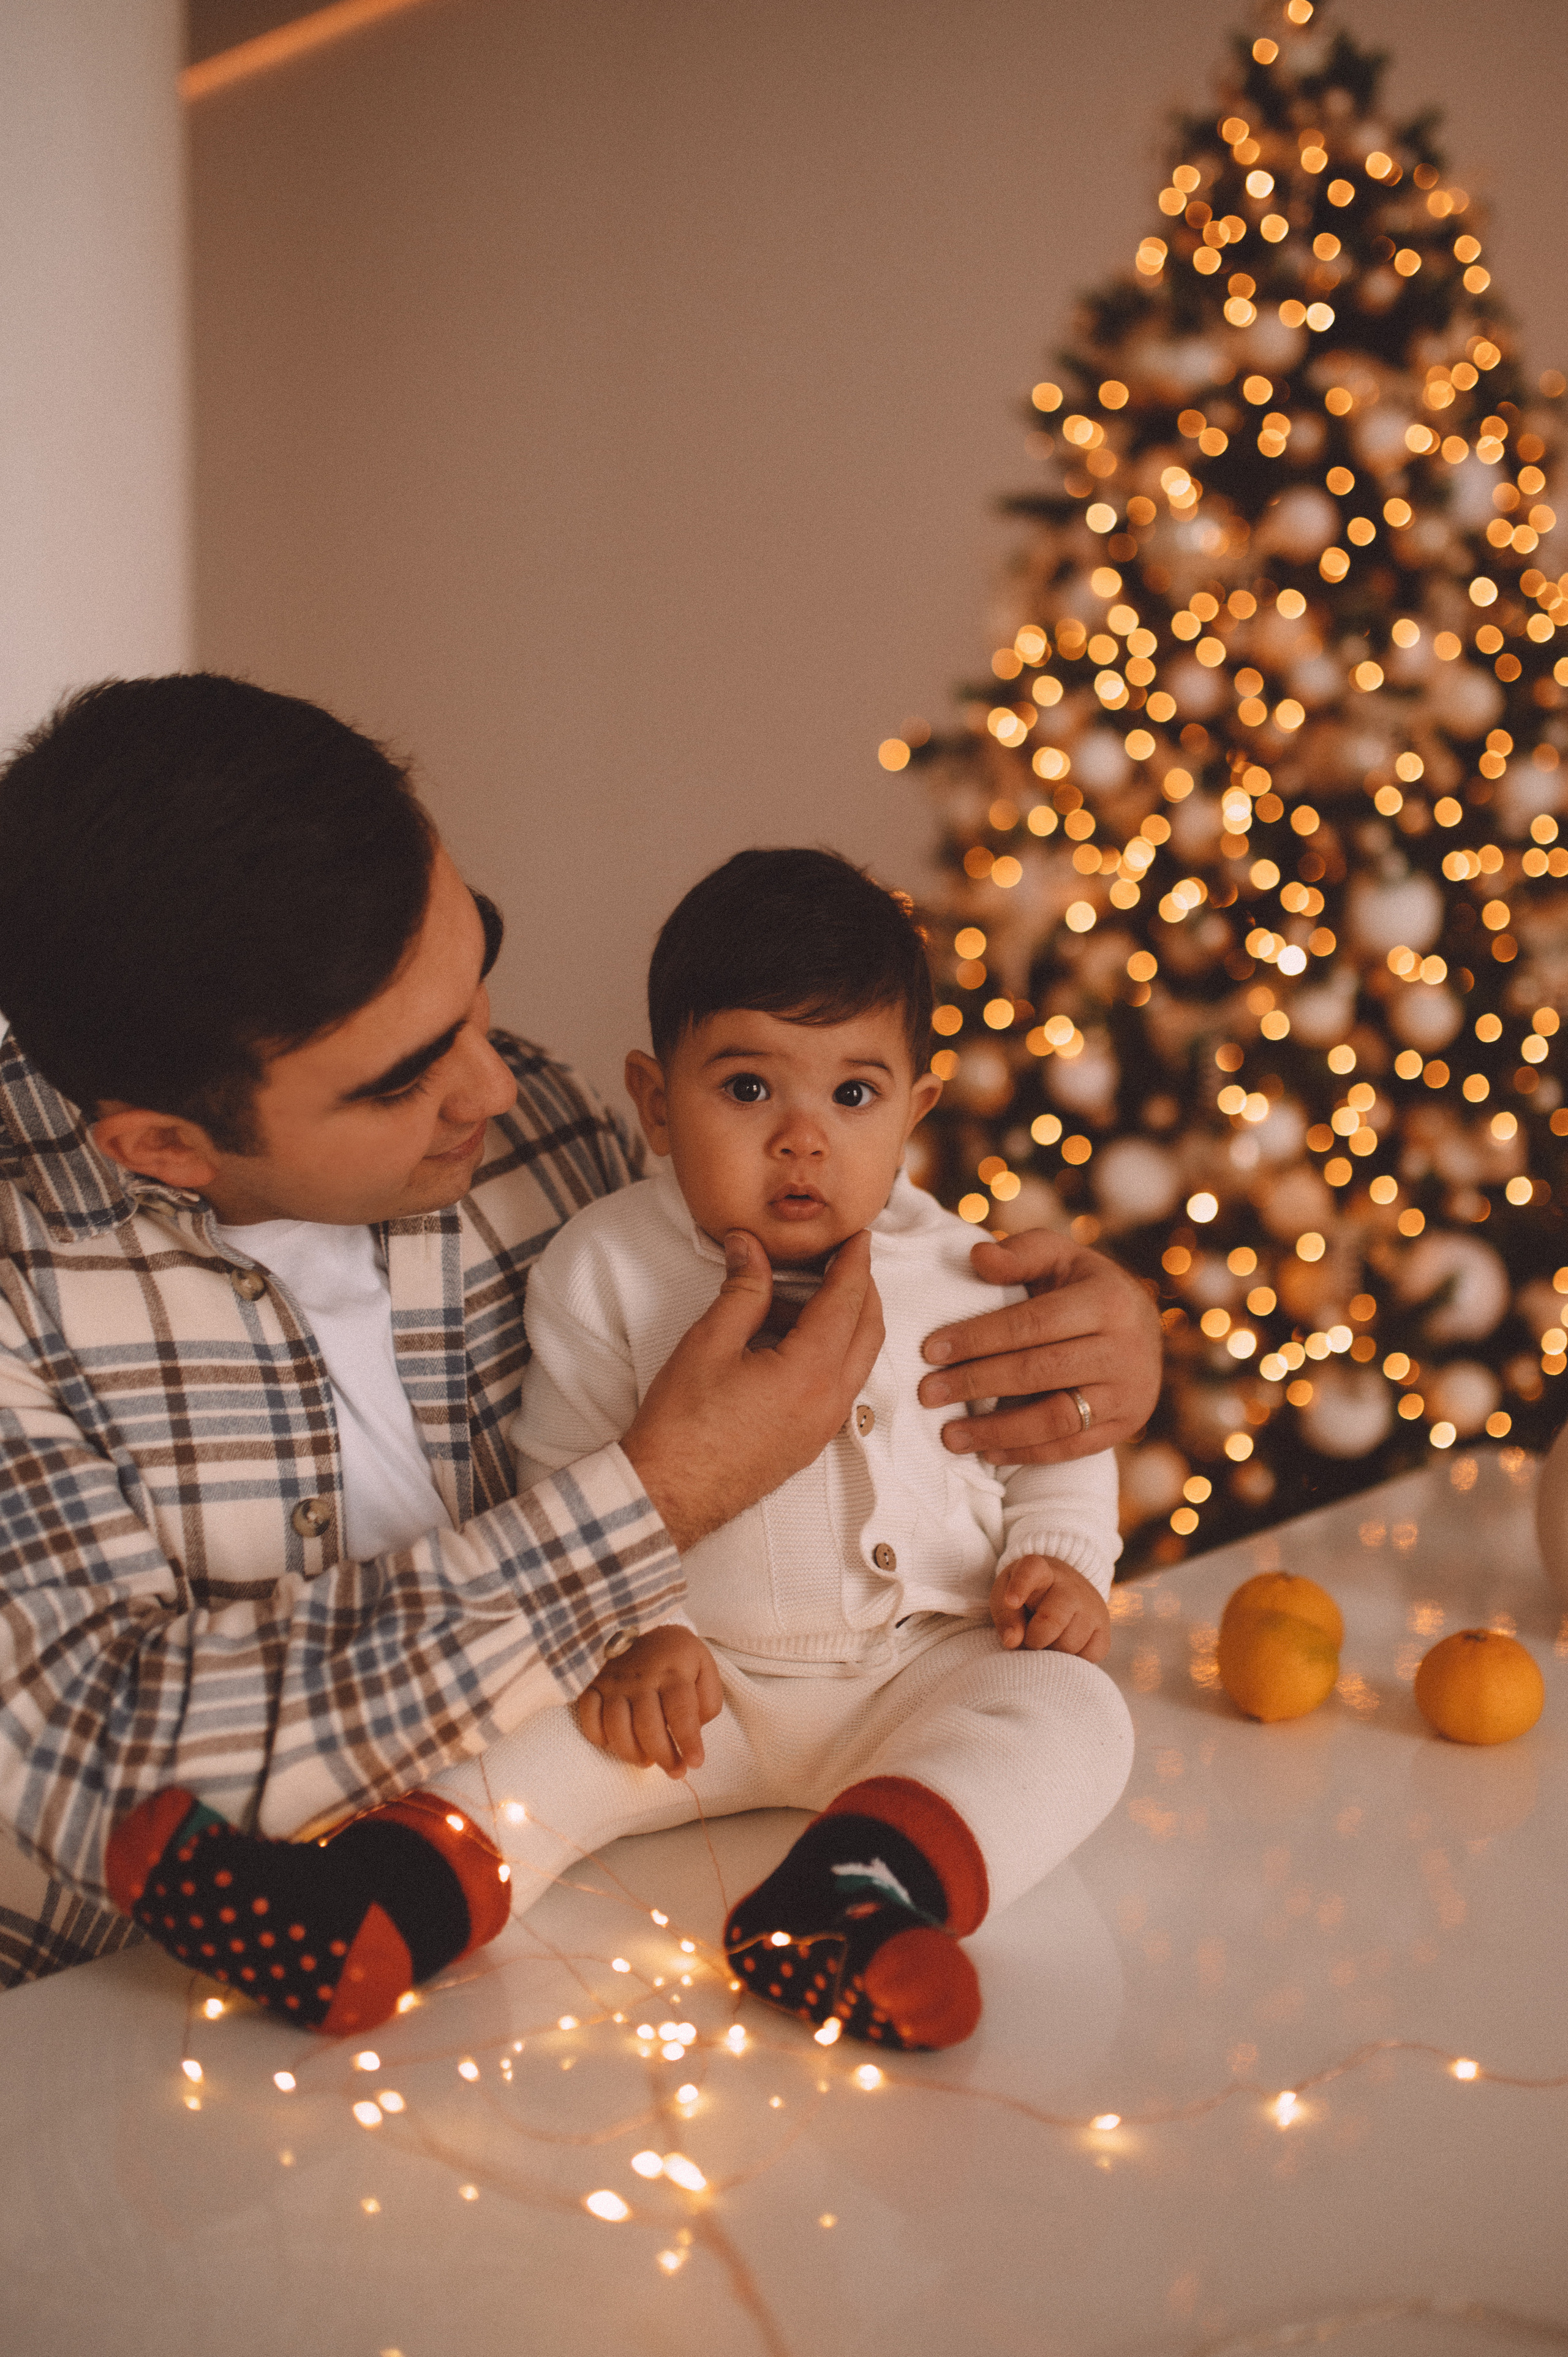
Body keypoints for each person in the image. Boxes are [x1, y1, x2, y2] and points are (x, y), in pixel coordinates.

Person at [0, 676, 1161, 2022]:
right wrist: (660, 1499)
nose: (496, 1084)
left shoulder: (541, 1131)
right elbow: (95, 1777)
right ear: (164, 1144)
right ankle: (369, 1906)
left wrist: (1088, 1362)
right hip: (115, 2038)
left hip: (578, 1972)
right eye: (402, 1078)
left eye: (474, 985)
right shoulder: (26, 1283)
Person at [421, 850, 1131, 2052]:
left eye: (853, 1095)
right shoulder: (605, 1265)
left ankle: (853, 1891)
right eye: (748, 1088)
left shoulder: (972, 1269)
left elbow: (1057, 1434)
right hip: (698, 1693)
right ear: (656, 1102)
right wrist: (641, 1631)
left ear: (915, 1108)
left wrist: (1061, 1557)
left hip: (920, 1670)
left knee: (1075, 1714)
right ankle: (389, 1891)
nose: (803, 1140)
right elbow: (568, 1470)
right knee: (525, 1738)